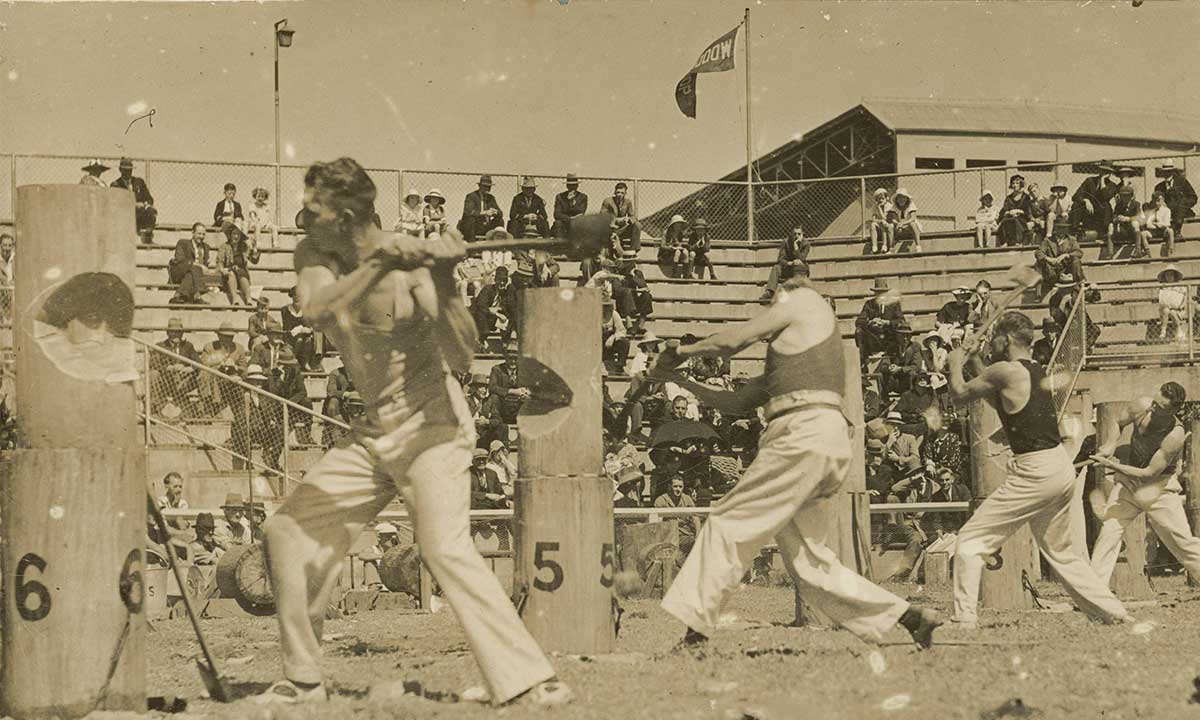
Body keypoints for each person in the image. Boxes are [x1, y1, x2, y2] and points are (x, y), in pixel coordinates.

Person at [257, 158, 567, 705]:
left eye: (314, 207)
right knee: (287, 530)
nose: (302, 215)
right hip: (373, 428)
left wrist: (444, 278)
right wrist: (378, 266)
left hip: (433, 426)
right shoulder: (316, 254)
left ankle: (531, 680)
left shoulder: (415, 266)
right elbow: (314, 308)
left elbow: (463, 353)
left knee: (443, 547)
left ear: (347, 214)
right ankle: (304, 679)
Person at [644, 274, 940, 650]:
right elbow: (735, 404)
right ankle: (910, 619)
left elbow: (734, 342)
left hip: (801, 430)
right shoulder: (795, 355)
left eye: (770, 300)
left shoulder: (802, 299)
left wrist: (680, 352)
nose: (768, 309)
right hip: (819, 434)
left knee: (726, 522)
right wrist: (677, 379)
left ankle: (695, 637)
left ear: (782, 293)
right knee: (810, 565)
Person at [945, 311, 1130, 629]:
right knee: (1062, 552)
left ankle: (964, 618)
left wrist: (953, 361)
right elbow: (993, 395)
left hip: (1035, 470)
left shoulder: (1004, 370)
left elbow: (959, 395)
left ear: (1005, 340)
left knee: (971, 541)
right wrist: (974, 357)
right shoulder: (1032, 370)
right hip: (1059, 464)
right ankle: (1114, 612)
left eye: (995, 340)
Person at [1089, 383, 1200, 586]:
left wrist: (1110, 464)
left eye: (1162, 408)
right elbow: (1118, 421)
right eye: (1155, 404)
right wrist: (1110, 444)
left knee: (1182, 544)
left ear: (1174, 410)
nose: (1154, 410)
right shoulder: (1142, 404)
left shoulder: (1175, 434)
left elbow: (1149, 472)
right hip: (1129, 486)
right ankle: (1094, 593)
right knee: (1109, 533)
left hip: (1158, 490)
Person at [1071, 161, 1123, 259]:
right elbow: (1075, 196)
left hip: (1101, 217)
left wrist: (1103, 181)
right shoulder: (1089, 181)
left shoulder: (1112, 186)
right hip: (1088, 214)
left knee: (1106, 205)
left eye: (1106, 171)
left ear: (1110, 173)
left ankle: (1104, 233)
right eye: (1102, 170)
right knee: (1077, 204)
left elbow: (1105, 196)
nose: (1103, 173)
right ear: (1099, 170)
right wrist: (1086, 200)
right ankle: (1074, 233)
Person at [151, 317, 200, 414]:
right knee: (153, 374)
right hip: (166, 381)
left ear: (182, 333)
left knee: (202, 374)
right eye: (173, 332)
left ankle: (203, 410)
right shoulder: (160, 346)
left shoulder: (188, 346)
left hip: (184, 380)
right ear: (168, 333)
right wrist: (169, 368)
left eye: (179, 332)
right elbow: (153, 363)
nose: (176, 335)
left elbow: (199, 363)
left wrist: (188, 368)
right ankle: (154, 407)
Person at [198, 321, 247, 416]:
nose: (229, 339)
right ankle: (211, 406)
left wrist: (235, 367)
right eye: (226, 336)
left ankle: (238, 416)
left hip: (232, 380)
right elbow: (203, 365)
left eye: (231, 336)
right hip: (214, 379)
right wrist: (219, 363)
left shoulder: (239, 348)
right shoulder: (209, 347)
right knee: (206, 374)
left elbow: (245, 370)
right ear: (219, 336)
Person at [855, 278, 905, 365]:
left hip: (889, 336)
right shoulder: (869, 304)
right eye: (878, 293)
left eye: (883, 293)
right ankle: (864, 362)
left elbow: (901, 321)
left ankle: (898, 359)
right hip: (874, 337)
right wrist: (871, 322)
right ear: (875, 293)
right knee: (859, 330)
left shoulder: (894, 304)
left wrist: (887, 322)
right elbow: (859, 321)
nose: (881, 296)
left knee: (900, 331)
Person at [110, 157, 158, 242]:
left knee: (151, 211)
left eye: (129, 170)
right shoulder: (115, 185)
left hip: (140, 213)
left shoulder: (139, 182)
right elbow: (116, 204)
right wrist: (134, 204)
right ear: (120, 170)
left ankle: (147, 237)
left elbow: (149, 198)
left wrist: (146, 204)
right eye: (125, 170)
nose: (127, 173)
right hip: (125, 215)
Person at [216, 220, 260, 306]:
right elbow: (219, 262)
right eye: (234, 234)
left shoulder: (244, 247)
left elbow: (254, 261)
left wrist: (255, 251)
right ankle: (234, 299)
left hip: (241, 274)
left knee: (242, 274)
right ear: (230, 235)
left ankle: (248, 298)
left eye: (238, 234)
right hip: (228, 274)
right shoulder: (224, 247)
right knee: (231, 273)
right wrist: (222, 269)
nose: (236, 236)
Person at [653, 475, 698, 558]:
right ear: (669, 487)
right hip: (668, 536)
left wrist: (698, 536)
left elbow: (695, 518)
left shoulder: (687, 499)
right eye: (675, 486)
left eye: (680, 487)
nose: (678, 489)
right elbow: (657, 522)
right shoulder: (661, 500)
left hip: (685, 535)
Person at [1153, 160, 1197, 243]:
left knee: (1180, 205)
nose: (1166, 174)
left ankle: (1176, 231)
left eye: (1169, 171)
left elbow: (1193, 197)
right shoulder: (1159, 187)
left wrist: (1183, 204)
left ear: (1173, 171)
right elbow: (1154, 201)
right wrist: (1161, 205)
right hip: (1165, 212)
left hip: (1181, 211)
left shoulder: (1182, 182)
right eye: (1164, 172)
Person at [761, 227, 811, 301]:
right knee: (776, 268)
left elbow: (802, 259)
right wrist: (789, 263)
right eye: (794, 234)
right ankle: (770, 291)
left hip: (800, 270)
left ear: (802, 234)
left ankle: (799, 292)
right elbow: (780, 259)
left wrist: (796, 247)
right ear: (791, 234)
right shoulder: (786, 242)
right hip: (788, 268)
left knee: (800, 266)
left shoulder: (806, 244)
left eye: (799, 234)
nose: (796, 236)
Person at [168, 222, 211, 305]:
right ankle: (197, 296)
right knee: (194, 268)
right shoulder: (183, 243)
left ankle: (178, 295)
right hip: (179, 272)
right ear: (193, 233)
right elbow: (180, 261)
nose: (201, 236)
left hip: (193, 277)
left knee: (192, 273)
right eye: (199, 234)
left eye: (203, 234)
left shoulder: (206, 247)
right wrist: (198, 265)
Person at [1034, 226, 1084, 296]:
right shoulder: (1048, 240)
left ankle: (1079, 283)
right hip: (1053, 270)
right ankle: (1039, 293)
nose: (1062, 230)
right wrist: (1048, 258)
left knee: (1076, 260)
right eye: (1059, 228)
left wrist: (1066, 255)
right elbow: (1038, 252)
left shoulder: (1071, 239)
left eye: (1064, 228)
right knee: (1040, 262)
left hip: (1067, 269)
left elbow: (1079, 252)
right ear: (1055, 229)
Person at [458, 175, 504, 243]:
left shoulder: (491, 198)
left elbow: (500, 212)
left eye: (489, 187)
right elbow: (468, 212)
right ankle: (472, 245)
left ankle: (497, 245)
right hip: (475, 225)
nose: (487, 189)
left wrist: (495, 212)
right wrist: (485, 212)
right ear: (480, 186)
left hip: (486, 225)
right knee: (470, 219)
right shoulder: (471, 196)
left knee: (500, 220)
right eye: (485, 186)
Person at [600, 181, 640, 251]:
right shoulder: (608, 201)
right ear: (614, 192)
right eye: (618, 192)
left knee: (637, 225)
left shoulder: (628, 202)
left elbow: (633, 216)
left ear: (625, 194)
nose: (620, 195)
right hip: (611, 229)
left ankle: (634, 250)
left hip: (623, 229)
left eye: (622, 193)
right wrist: (617, 220)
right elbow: (602, 217)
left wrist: (628, 220)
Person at [1153, 265, 1188, 342]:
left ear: (1174, 276)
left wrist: (1181, 305)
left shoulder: (1180, 286)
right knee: (1166, 309)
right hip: (1165, 310)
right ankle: (1164, 330)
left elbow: (1185, 298)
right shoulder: (1163, 287)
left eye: (1171, 274)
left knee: (1172, 312)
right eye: (1167, 275)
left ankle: (1177, 329)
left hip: (1178, 309)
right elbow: (1161, 300)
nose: (1169, 277)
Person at [996, 175, 1032, 247]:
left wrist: (1017, 211)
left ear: (1021, 184)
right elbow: (1005, 209)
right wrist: (1009, 212)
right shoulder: (1009, 198)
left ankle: (1018, 242)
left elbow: (1027, 210)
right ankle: (1005, 242)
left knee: (1016, 221)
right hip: (1010, 217)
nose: (1015, 185)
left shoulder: (1026, 197)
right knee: (1006, 220)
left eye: (1017, 183)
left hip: (1022, 217)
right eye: (1013, 183)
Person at [1109, 185, 1142, 257]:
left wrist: (1128, 219)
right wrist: (1118, 219)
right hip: (1122, 230)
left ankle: (1138, 251)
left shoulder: (1136, 204)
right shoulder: (1118, 205)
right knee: (1110, 226)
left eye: (1127, 195)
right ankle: (1110, 253)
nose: (1125, 198)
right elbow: (1114, 217)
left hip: (1132, 231)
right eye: (1123, 196)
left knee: (1135, 223)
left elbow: (1139, 217)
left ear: (1131, 196)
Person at [551, 173, 588, 238]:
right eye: (570, 185)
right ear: (567, 186)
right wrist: (569, 218)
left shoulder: (583, 197)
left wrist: (572, 202)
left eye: (574, 185)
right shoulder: (560, 196)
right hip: (564, 221)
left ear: (577, 186)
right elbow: (557, 214)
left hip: (577, 222)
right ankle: (559, 245)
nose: (572, 187)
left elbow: (581, 212)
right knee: (557, 224)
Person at [1141, 192, 1175, 258]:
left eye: (1158, 201)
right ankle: (1147, 252)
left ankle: (1170, 250)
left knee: (1170, 231)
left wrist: (1156, 224)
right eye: (1155, 201)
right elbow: (1148, 224)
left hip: (1163, 231)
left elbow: (1167, 224)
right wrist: (1158, 225)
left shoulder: (1166, 210)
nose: (1157, 203)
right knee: (1143, 234)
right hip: (1154, 231)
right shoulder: (1152, 211)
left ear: (1163, 200)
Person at [890, 188, 922, 253]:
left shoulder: (911, 205)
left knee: (912, 223)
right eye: (899, 198)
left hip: (910, 227)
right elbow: (894, 219)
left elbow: (912, 218)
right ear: (896, 199)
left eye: (903, 198)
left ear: (906, 198)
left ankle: (918, 246)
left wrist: (903, 223)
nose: (901, 200)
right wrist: (898, 224)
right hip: (900, 227)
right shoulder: (894, 207)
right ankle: (891, 248)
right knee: (891, 226)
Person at [869, 188, 894, 255]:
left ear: (886, 198)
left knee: (884, 224)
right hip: (880, 224)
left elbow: (886, 218)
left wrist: (879, 208)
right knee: (872, 225)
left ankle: (884, 245)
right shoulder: (875, 206)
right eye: (879, 199)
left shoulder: (889, 206)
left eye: (882, 198)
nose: (881, 200)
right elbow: (873, 219)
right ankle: (874, 246)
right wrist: (880, 221)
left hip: (888, 224)